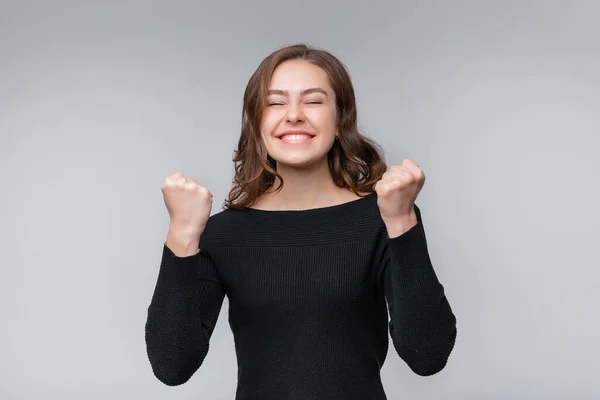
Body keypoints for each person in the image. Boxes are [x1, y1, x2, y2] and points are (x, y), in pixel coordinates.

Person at [145, 43, 457, 399]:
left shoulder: (384, 219)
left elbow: (428, 355)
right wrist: (181, 234)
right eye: (275, 102)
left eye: (312, 100)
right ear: (257, 122)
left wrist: (402, 221)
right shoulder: (223, 234)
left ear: (340, 121)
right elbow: (172, 366)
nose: (293, 115)